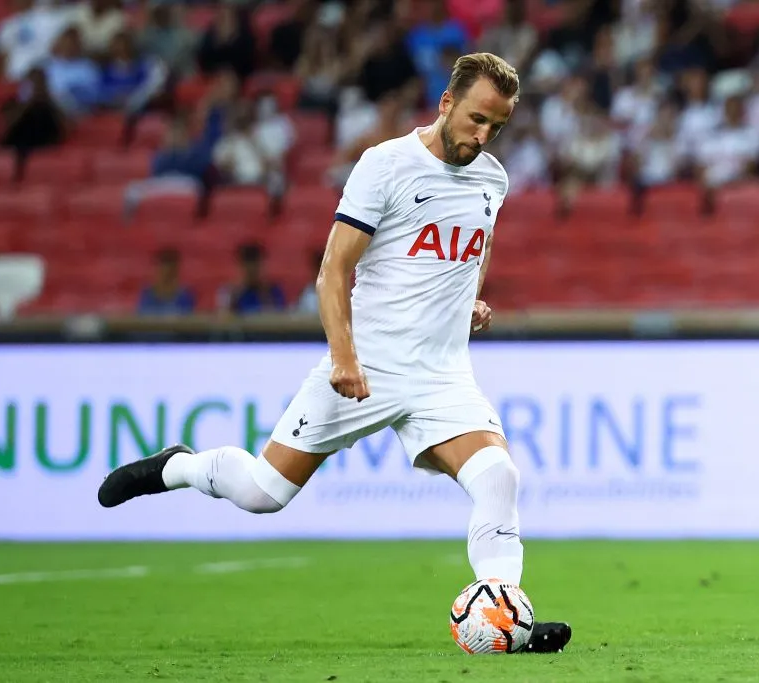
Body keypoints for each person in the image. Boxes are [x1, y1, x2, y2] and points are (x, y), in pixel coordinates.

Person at [98, 52, 572, 654]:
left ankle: (507, 619)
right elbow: (333, 270)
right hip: (366, 364)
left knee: (499, 476)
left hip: (441, 375)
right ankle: (180, 467)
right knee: (264, 493)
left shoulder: (492, 180)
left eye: (497, 127)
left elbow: (476, 247)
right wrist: (343, 357)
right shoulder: (386, 165)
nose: (483, 136)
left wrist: (471, 299)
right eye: (477, 119)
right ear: (447, 102)